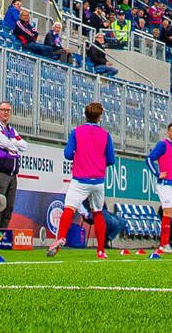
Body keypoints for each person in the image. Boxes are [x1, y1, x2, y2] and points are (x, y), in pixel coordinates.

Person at [47, 102, 114, 259]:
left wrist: (80, 153)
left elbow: (68, 154)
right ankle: (100, 251)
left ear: (85, 115)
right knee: (98, 213)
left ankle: (61, 238)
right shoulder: (106, 135)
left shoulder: (76, 132)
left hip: (80, 179)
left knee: (69, 209)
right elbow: (111, 160)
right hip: (97, 181)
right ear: (99, 117)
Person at [0, 101, 25, 238]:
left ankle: (2, 238)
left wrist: (12, 143)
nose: (6, 112)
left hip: (12, 173)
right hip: (0, 171)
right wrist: (13, 144)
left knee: (9, 207)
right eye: (3, 110)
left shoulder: (11, 130)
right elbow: (4, 142)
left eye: (8, 110)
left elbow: (24, 145)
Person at [146, 122, 172, 253]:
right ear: (168, 132)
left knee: (170, 213)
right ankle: (164, 244)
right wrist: (157, 173)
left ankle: (165, 243)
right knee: (166, 212)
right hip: (165, 184)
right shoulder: (162, 145)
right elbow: (149, 159)